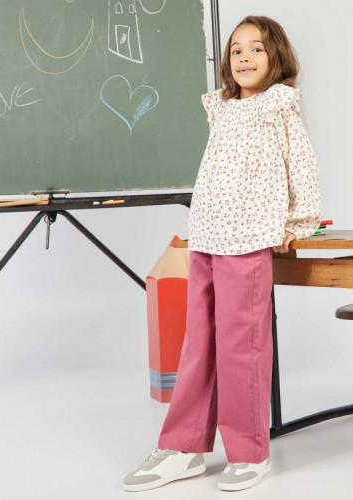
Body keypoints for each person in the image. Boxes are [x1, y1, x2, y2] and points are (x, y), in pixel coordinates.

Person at [123, 15, 320, 492]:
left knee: (241, 345)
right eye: (236, 50)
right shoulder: (223, 108)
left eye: (256, 49)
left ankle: (249, 452)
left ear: (276, 57)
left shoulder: (279, 105)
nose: (245, 58)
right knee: (199, 345)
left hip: (250, 236)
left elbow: (303, 163)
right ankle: (184, 447)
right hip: (208, 235)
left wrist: (297, 222)